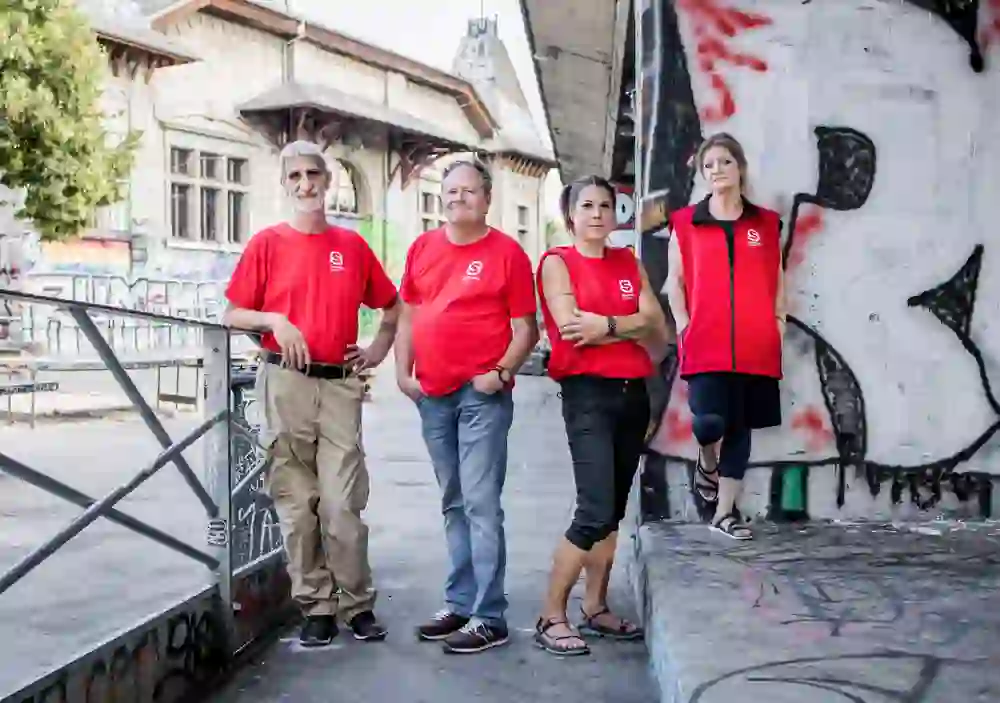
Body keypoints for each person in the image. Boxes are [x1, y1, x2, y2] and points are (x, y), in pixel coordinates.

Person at [223, 140, 400, 646]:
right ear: (284, 184)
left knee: (343, 502)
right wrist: (275, 320)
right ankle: (316, 607)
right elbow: (233, 313)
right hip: (285, 382)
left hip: (340, 385)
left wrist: (379, 348)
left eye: (313, 175)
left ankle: (357, 603)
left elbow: (392, 304)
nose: (306, 185)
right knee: (297, 504)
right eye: (295, 176)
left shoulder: (352, 246)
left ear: (329, 180)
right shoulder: (267, 244)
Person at [395, 158, 539, 654]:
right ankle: (458, 603)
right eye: (451, 191)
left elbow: (527, 329)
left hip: (482, 397)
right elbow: (408, 316)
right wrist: (401, 373)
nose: (458, 199)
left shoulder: (507, 254)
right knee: (453, 501)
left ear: (487, 198)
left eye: (469, 191)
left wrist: (500, 373)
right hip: (432, 394)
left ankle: (489, 615)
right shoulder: (422, 247)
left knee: (480, 504)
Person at [533, 175, 668, 656]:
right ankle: (551, 615)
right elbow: (573, 332)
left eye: (605, 205)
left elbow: (659, 328)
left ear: (616, 215)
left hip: (634, 396)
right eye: (586, 205)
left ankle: (595, 607)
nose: (596, 213)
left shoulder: (629, 262)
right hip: (587, 395)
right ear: (571, 215)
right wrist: (630, 329)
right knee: (592, 510)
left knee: (611, 512)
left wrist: (607, 325)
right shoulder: (557, 263)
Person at [663, 132, 786, 540]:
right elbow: (674, 282)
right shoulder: (686, 222)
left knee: (741, 427)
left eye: (725, 162)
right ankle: (706, 459)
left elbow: (777, 279)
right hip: (705, 338)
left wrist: (778, 324)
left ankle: (724, 512)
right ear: (702, 173)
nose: (717, 170)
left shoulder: (765, 223)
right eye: (709, 164)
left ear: (740, 168)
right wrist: (684, 325)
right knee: (709, 420)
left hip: (756, 342)